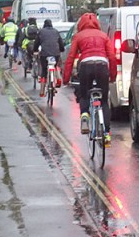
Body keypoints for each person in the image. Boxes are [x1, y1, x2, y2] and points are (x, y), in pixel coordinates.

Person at [62, 13, 116, 141]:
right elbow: (112, 57)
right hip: (102, 66)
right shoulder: (104, 36)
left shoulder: (78, 36)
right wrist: (113, 76)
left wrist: (66, 78)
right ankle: (107, 134)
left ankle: (85, 115)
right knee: (103, 101)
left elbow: (70, 58)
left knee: (84, 94)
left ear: (81, 24)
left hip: (85, 66)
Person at [34, 19, 65, 97]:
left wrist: (35, 50)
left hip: (44, 54)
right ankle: (58, 79)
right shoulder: (55, 31)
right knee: (55, 66)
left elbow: (37, 42)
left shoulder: (41, 32)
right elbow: (60, 43)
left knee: (44, 71)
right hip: (55, 54)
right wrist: (61, 49)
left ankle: (42, 91)